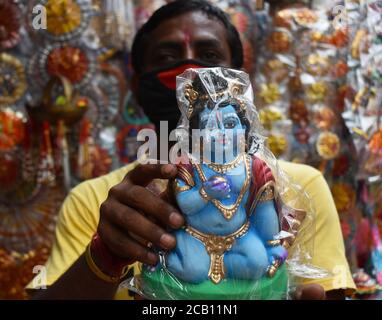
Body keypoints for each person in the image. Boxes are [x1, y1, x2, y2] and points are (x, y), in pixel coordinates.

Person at [28, 0, 355, 300]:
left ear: (240, 85)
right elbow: (186, 201)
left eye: (209, 57)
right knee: (188, 267)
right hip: (193, 250)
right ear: (138, 86)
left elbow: (269, 222)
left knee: (256, 258)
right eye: (167, 58)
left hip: (243, 243)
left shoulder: (299, 183)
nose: (191, 72)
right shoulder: (93, 200)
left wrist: (272, 233)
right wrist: (105, 255)